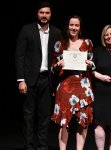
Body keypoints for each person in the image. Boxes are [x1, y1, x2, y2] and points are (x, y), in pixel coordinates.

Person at [15, 1, 61, 150]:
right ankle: (28, 146)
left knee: (44, 116)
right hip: (29, 79)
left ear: (51, 15)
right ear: (37, 14)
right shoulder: (27, 30)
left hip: (47, 79)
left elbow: (58, 55)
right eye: (41, 12)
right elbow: (19, 55)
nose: (44, 15)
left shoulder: (56, 32)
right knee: (28, 115)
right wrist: (21, 80)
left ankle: (42, 146)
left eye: (47, 13)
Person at [51, 15, 94, 150]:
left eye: (76, 25)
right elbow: (53, 68)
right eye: (71, 25)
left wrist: (90, 64)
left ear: (80, 27)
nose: (73, 28)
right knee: (64, 121)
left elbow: (92, 64)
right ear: (67, 26)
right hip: (65, 84)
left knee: (83, 120)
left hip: (83, 86)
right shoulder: (60, 44)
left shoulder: (87, 43)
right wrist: (58, 64)